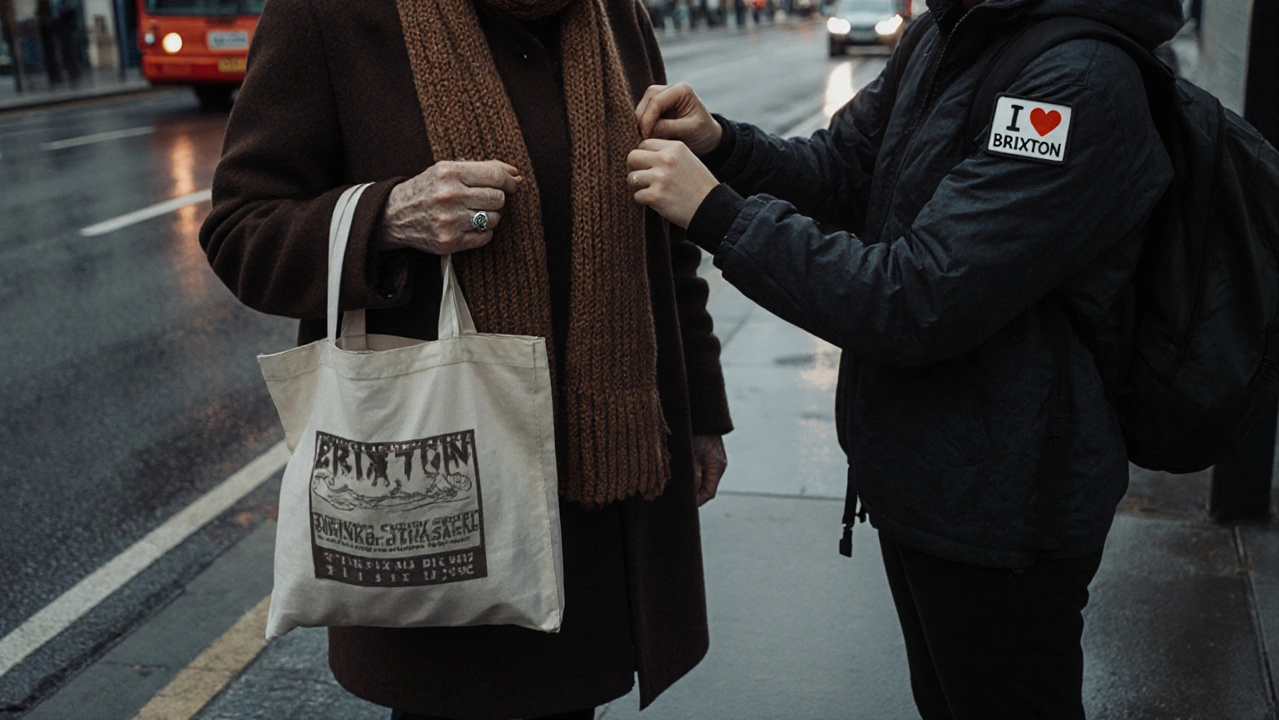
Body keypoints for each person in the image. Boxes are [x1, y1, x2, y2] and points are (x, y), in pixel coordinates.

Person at [627, 0, 1181, 717]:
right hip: (929, 475)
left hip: (1007, 505)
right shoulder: (946, 32)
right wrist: (723, 145)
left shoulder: (1076, 79)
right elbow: (842, 172)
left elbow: (916, 298)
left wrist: (718, 215)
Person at [198, 0, 734, 715]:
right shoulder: (327, 15)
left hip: (599, 503)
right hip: (443, 489)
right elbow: (241, 230)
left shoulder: (613, 12)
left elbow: (665, 230)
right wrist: (388, 217)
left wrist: (700, 408)